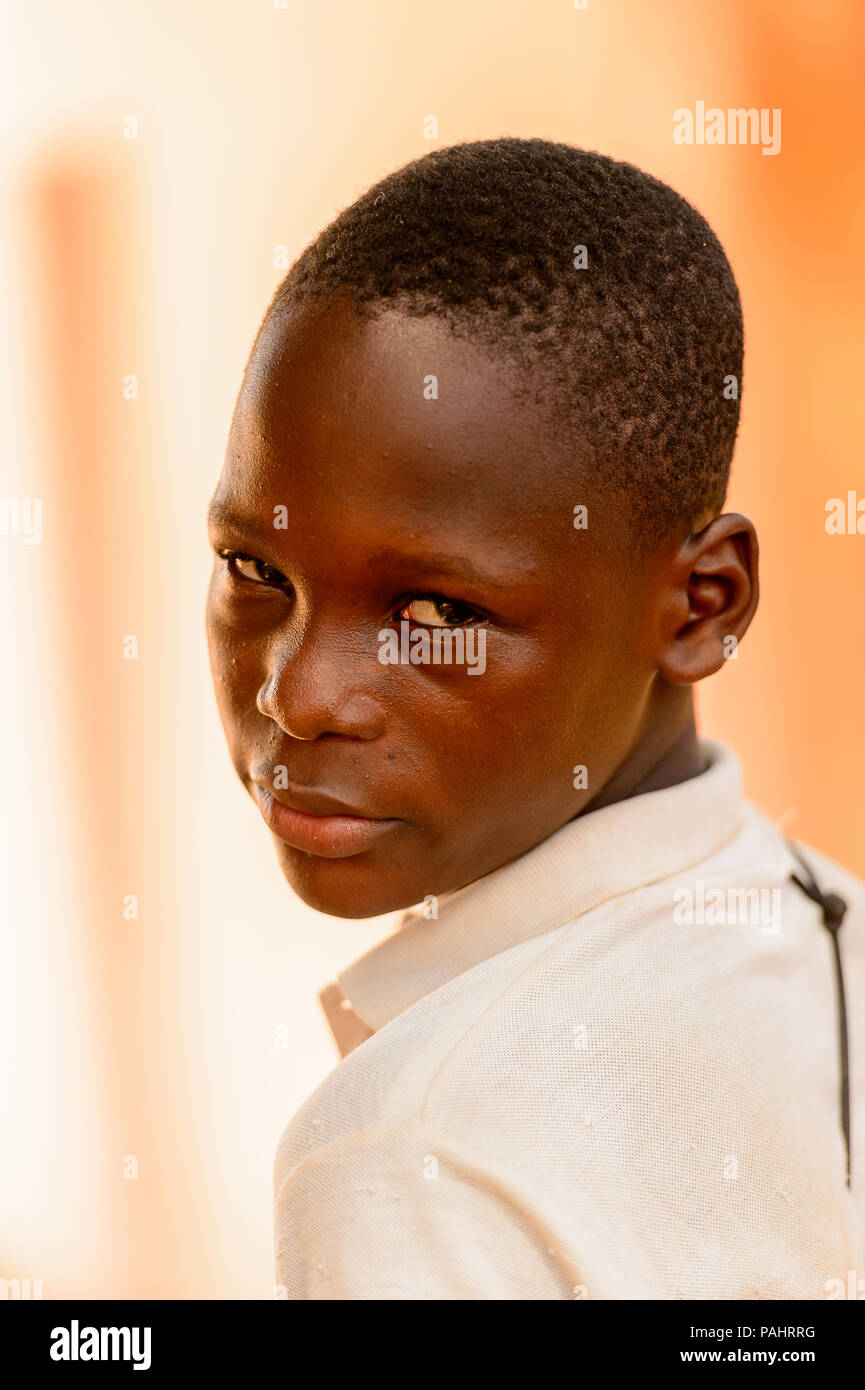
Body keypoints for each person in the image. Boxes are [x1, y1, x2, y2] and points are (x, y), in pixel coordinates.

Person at [205, 138, 864, 1299]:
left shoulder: (414, 1155)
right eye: (254, 565)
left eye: (435, 608)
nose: (296, 694)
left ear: (701, 605)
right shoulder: (833, 924)